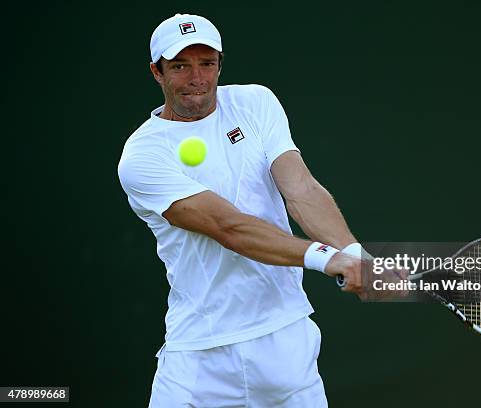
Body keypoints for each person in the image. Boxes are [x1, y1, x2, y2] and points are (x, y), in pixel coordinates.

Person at [118, 13, 366, 407]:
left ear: (220, 64)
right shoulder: (142, 156)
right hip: (201, 356)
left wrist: (355, 255)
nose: (196, 77)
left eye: (206, 63)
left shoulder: (255, 102)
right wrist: (327, 258)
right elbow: (227, 227)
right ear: (156, 72)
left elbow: (300, 188)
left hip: (286, 344)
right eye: (180, 65)